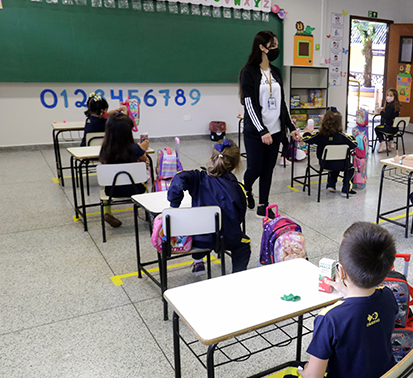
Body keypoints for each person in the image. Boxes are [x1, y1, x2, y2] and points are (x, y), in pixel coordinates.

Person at [281, 222, 408, 378]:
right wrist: (349, 293)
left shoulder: (331, 318)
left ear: (341, 271)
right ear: (387, 268)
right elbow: (366, 316)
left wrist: (304, 372)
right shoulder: (388, 297)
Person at [239, 30, 301, 217]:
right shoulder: (248, 72)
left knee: (268, 170)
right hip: (256, 132)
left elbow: (281, 102)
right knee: (255, 169)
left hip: (275, 131)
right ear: (262, 47)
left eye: (276, 44)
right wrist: (262, 130)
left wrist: (291, 127)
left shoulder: (275, 71)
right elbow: (249, 103)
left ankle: (263, 205)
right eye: (272, 45)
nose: (276, 48)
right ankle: (246, 188)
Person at [166, 139, 251, 274]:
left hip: (199, 239)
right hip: (226, 238)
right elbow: (240, 216)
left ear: (212, 159)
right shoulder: (238, 188)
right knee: (243, 245)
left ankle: (198, 262)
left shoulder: (197, 178)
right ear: (236, 164)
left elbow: (178, 179)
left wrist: (174, 204)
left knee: (203, 233)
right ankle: (238, 275)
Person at [98, 112, 149, 228]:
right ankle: (146, 209)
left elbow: (103, 163)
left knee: (106, 188)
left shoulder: (105, 149)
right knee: (146, 187)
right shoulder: (135, 148)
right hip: (136, 189)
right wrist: (142, 148)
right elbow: (144, 159)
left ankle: (107, 212)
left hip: (112, 191)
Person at [301, 108, 358, 196]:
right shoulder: (342, 136)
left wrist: (307, 132)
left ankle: (331, 185)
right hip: (341, 164)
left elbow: (306, 139)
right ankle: (346, 190)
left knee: (332, 163)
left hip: (324, 164)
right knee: (349, 167)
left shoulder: (320, 135)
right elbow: (354, 144)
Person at [374, 88, 401, 153]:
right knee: (388, 125)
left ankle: (383, 143)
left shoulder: (390, 106)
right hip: (395, 129)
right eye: (387, 95)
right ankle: (391, 141)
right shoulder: (397, 106)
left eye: (391, 96)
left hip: (389, 129)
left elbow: (386, 116)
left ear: (395, 97)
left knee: (377, 128)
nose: (388, 97)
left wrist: (381, 112)